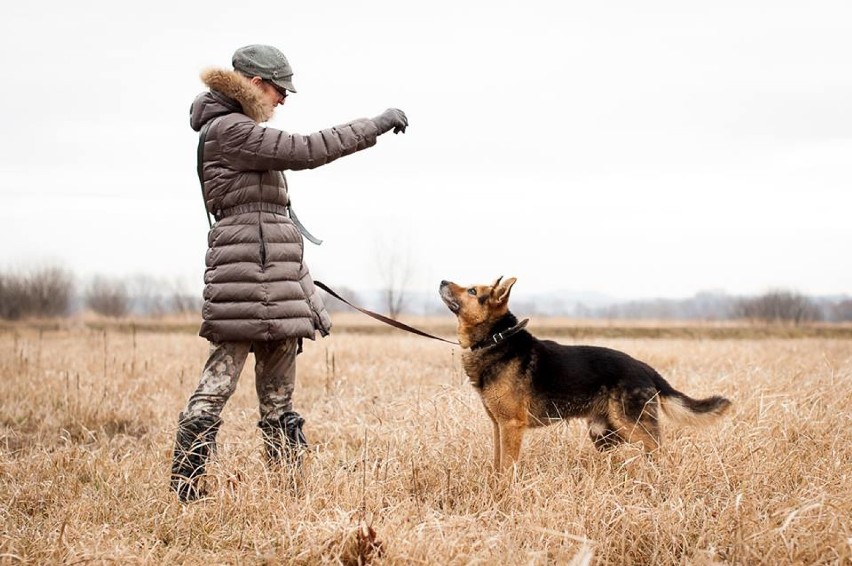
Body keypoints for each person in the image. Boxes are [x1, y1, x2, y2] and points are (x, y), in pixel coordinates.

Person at [171, 44, 408, 502]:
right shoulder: (230, 130)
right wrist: (374, 125)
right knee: (216, 386)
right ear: (255, 84)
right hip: (244, 278)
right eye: (280, 89)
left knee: (280, 401)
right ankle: (186, 487)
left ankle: (287, 493)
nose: (284, 99)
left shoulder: (240, 131)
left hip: (274, 277)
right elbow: (306, 149)